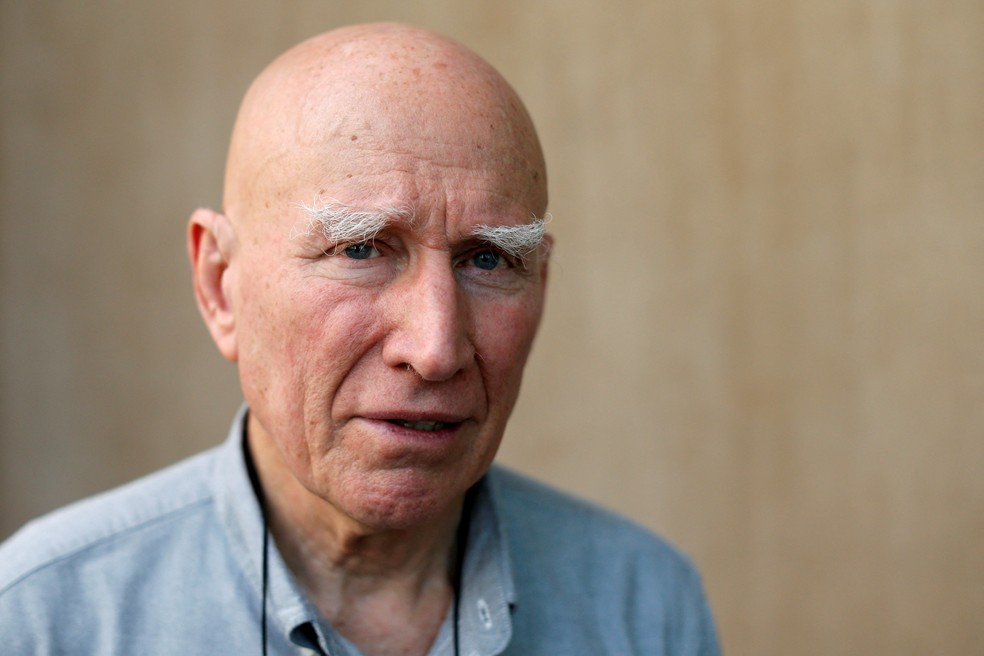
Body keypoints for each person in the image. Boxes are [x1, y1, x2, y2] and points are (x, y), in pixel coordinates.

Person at [0, 23, 719, 655]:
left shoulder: (644, 608)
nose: (436, 348)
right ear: (221, 285)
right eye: (362, 250)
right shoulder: (43, 620)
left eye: (489, 259)